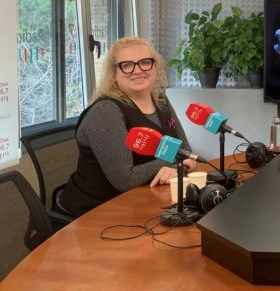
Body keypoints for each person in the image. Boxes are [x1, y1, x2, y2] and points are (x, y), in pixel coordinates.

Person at [58, 36, 195, 217]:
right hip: (95, 212)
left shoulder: (159, 99)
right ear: (114, 73)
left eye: (145, 62)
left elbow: (186, 150)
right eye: (127, 65)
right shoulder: (105, 112)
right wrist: (177, 160)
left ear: (155, 67)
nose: (137, 70)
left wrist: (180, 165)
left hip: (143, 201)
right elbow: (126, 179)